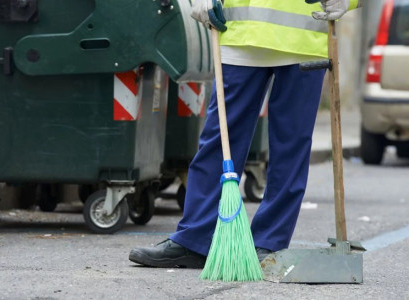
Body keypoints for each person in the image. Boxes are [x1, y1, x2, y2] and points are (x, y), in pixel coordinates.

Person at [129, 0, 363, 268]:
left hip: (304, 40)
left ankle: (268, 243)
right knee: (218, 141)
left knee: (291, 147)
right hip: (240, 34)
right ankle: (194, 240)